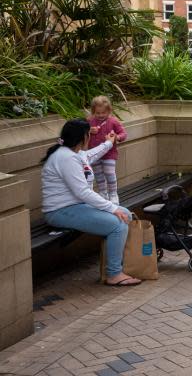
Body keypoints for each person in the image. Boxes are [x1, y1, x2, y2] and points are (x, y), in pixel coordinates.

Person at [42, 119, 140, 286]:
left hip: (75, 206)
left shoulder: (76, 153)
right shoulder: (66, 158)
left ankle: (112, 264)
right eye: (90, 134)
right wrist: (112, 208)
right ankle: (114, 273)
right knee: (118, 224)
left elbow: (91, 155)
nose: (91, 137)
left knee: (125, 213)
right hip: (60, 212)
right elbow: (83, 192)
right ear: (83, 137)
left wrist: (108, 143)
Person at [85, 96, 128, 204]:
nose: (100, 115)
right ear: (93, 111)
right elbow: (82, 133)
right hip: (94, 153)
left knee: (109, 173)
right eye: (97, 113)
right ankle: (103, 192)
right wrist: (89, 130)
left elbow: (123, 134)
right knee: (98, 174)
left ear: (109, 111)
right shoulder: (90, 121)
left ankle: (113, 193)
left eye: (103, 113)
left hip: (109, 153)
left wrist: (117, 137)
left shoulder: (113, 121)